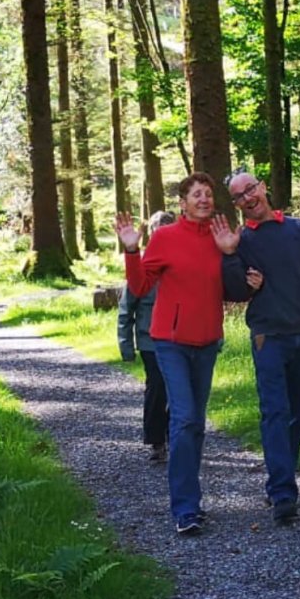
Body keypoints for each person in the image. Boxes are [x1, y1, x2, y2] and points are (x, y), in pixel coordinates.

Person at [115, 175, 247, 536]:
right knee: (185, 419)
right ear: (183, 203)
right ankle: (185, 509)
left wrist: (232, 253)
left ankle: (193, 500)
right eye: (196, 195)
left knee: (195, 423)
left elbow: (236, 291)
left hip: (207, 342)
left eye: (208, 194)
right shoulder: (166, 237)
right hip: (169, 342)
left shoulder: (221, 236)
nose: (204, 199)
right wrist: (131, 250)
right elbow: (141, 285)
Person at [224, 168, 300, 524]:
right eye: (238, 197)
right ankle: (283, 493)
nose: (246, 198)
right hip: (268, 336)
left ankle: (282, 473)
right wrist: (236, 268)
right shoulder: (241, 240)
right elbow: (233, 291)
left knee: (295, 413)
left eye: (250, 189)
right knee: (274, 411)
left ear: (264, 186)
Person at [116, 209, 178, 463]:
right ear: (152, 235)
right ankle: (156, 441)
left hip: (180, 339)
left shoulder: (182, 265)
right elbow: (125, 311)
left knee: (180, 389)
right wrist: (126, 347)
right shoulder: (142, 267)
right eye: (158, 231)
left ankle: (177, 437)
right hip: (150, 342)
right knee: (157, 387)